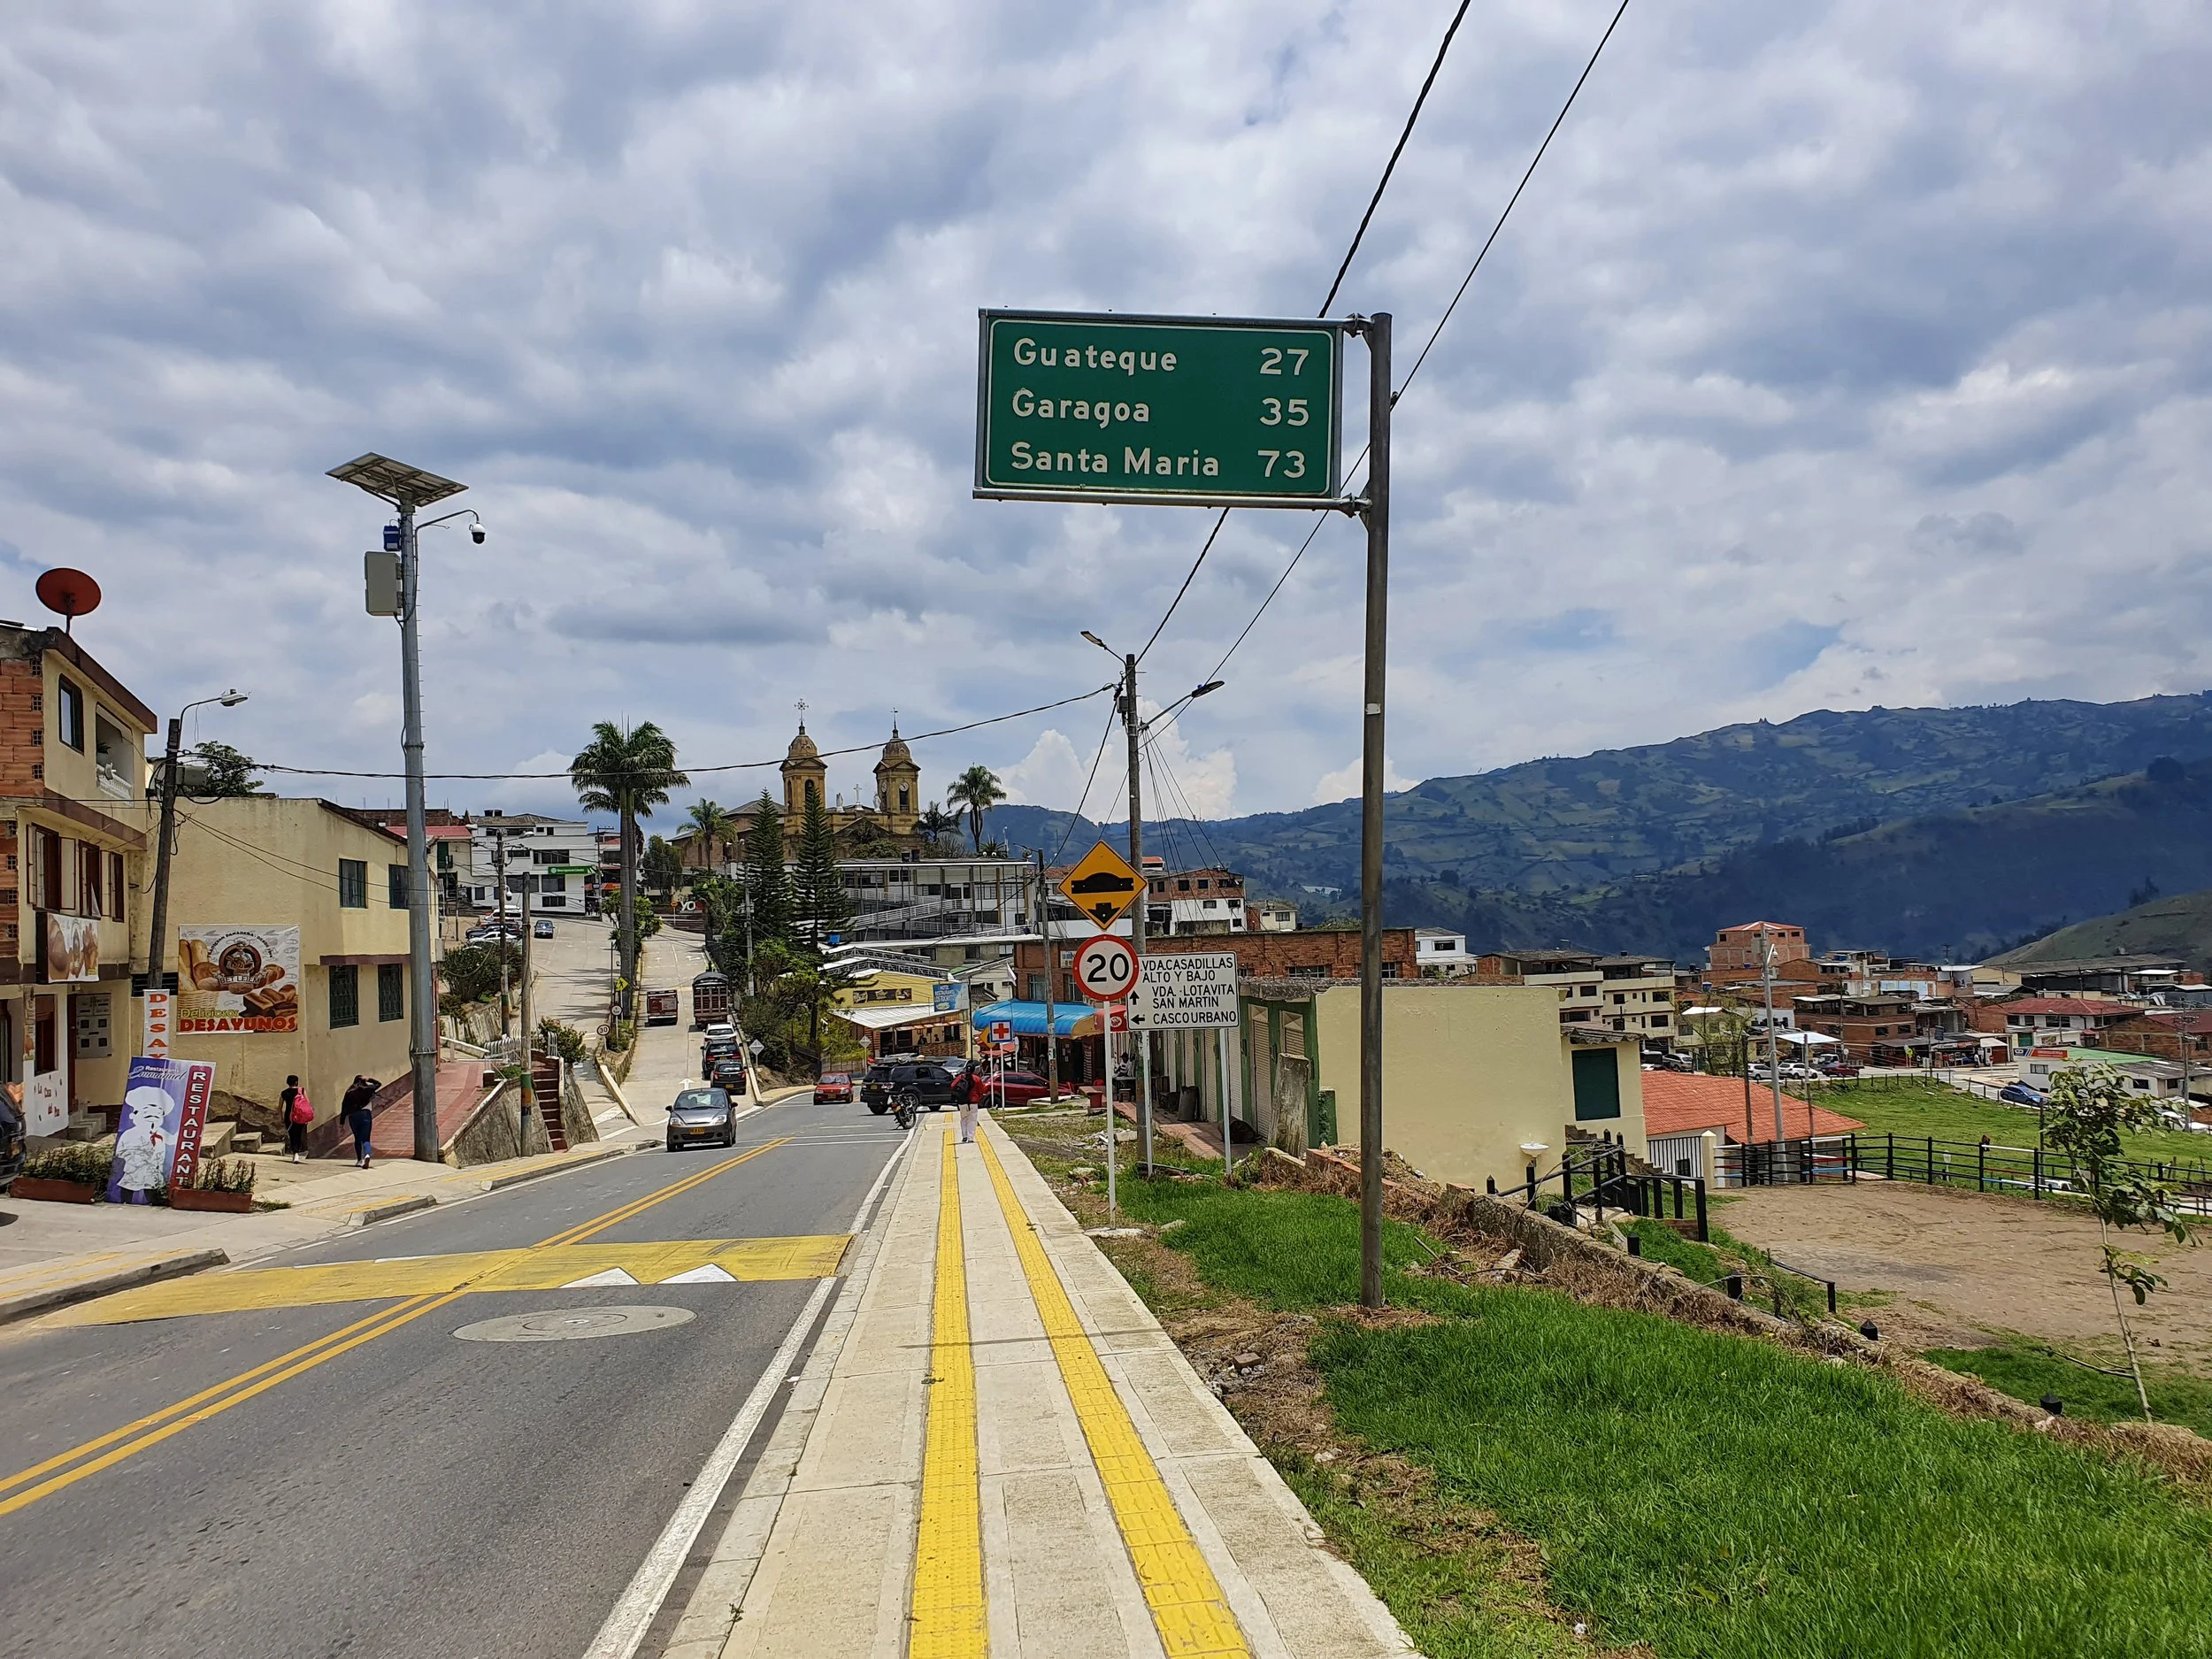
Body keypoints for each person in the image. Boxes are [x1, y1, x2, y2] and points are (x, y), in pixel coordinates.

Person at [341, 1074, 380, 1168]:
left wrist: (342, 1121)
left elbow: (344, 1106)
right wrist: (369, 1079)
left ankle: (359, 1160)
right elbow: (378, 1084)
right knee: (366, 1138)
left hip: (353, 1116)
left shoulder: (349, 1092)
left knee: (357, 1138)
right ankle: (367, 1154)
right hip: (366, 1115)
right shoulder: (367, 1089)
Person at [281, 1074, 310, 1163]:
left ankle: (295, 1153)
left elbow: (279, 1107)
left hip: (289, 1116)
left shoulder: (284, 1093)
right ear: (296, 1082)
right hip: (300, 1116)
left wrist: (280, 1117)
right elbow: (307, 1103)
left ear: (287, 1082)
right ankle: (297, 1152)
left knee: (292, 1135)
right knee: (299, 1133)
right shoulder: (301, 1090)